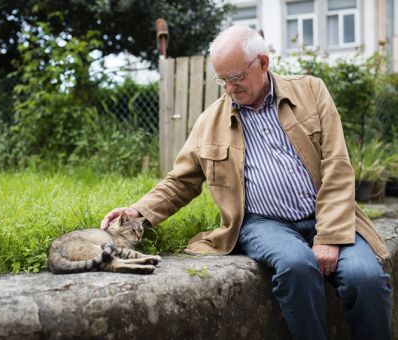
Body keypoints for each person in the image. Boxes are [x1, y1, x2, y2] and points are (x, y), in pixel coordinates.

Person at [101, 26, 392, 340]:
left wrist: (330, 236)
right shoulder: (208, 123)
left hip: (326, 212)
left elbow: (337, 164)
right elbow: (180, 182)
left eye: (236, 77)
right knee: (297, 266)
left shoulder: (311, 91)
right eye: (221, 79)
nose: (228, 88)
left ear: (263, 63)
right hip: (263, 223)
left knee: (366, 278)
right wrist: (136, 213)